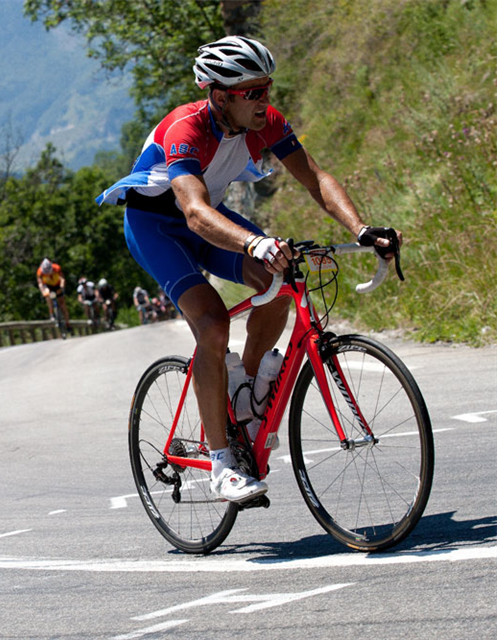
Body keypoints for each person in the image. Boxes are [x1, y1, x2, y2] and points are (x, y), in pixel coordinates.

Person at [96, 36, 400, 503]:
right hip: (159, 226)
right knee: (214, 325)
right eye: (253, 92)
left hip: (212, 216)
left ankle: (249, 397)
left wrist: (361, 228)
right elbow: (194, 213)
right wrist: (256, 241)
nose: (266, 100)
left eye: (268, 88)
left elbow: (315, 177)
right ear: (220, 96)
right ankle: (221, 464)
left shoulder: (265, 121)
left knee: (279, 284)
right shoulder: (186, 129)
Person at [36, 258, 70, 326]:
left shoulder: (57, 268)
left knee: (62, 303)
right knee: (48, 296)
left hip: (57, 285)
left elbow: (62, 279)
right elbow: (40, 283)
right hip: (48, 286)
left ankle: (67, 322)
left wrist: (62, 287)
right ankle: (51, 313)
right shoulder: (40, 271)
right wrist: (43, 291)